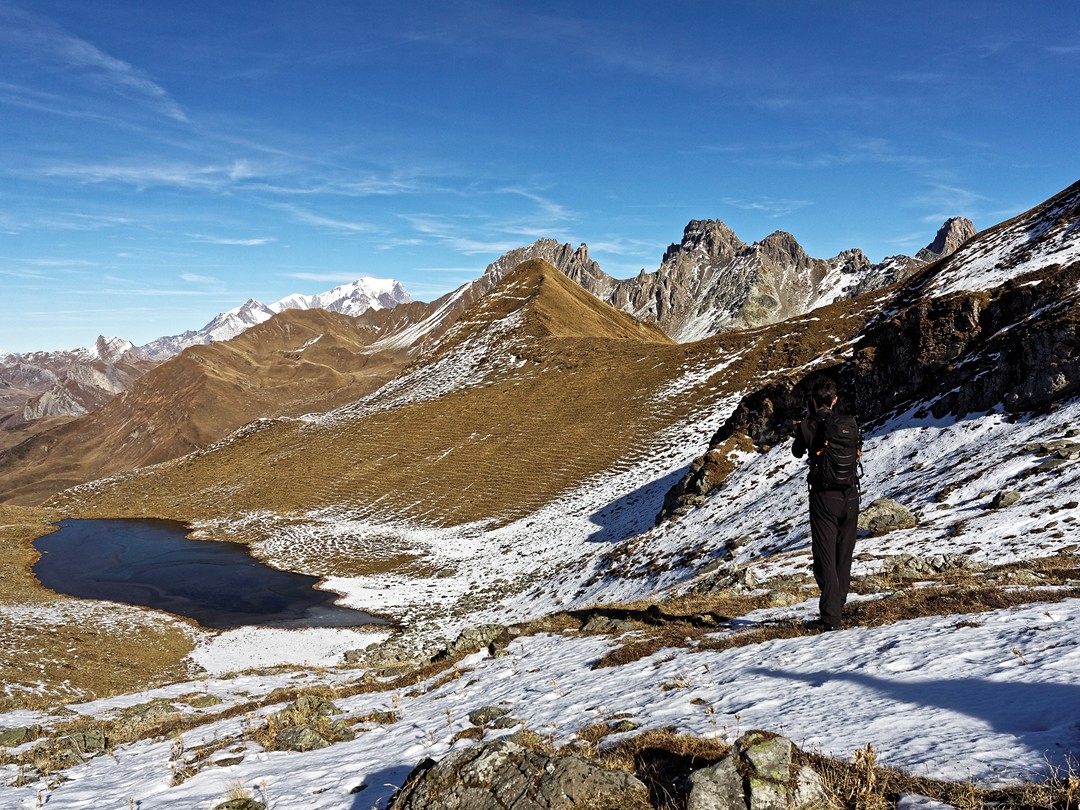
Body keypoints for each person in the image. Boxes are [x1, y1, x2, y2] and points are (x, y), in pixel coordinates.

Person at [791, 377, 860, 631]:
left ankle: (831, 617)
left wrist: (807, 421)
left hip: (823, 498)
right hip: (851, 496)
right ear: (835, 400)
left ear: (812, 400)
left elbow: (797, 451)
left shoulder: (808, 425)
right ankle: (836, 604)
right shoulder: (848, 424)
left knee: (824, 557)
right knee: (844, 554)